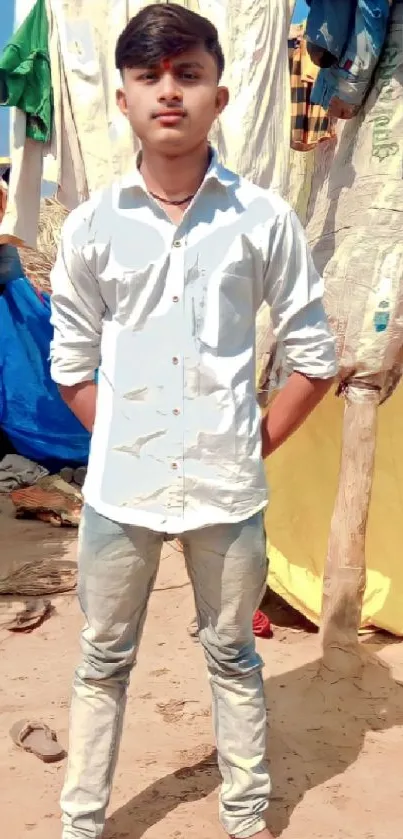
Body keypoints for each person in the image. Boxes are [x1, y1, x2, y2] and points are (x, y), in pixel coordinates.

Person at [50, 5, 338, 838]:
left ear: (219, 93)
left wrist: (250, 442)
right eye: (148, 77)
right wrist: (125, 440)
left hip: (227, 490)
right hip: (119, 492)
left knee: (233, 660)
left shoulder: (263, 221)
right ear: (123, 98)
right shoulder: (92, 227)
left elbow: (312, 354)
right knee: (102, 662)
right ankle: (81, 824)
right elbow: (70, 363)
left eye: (186, 74)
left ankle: (244, 821)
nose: (167, 92)